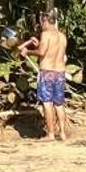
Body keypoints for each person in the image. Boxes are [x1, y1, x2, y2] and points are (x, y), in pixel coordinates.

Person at [20, 11, 69, 141]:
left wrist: (28, 51)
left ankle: (51, 134)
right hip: (60, 72)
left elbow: (42, 52)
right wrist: (38, 44)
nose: (40, 25)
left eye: (41, 22)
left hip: (47, 72)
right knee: (59, 104)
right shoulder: (62, 36)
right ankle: (63, 133)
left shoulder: (46, 34)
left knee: (47, 103)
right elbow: (52, 51)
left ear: (45, 21)